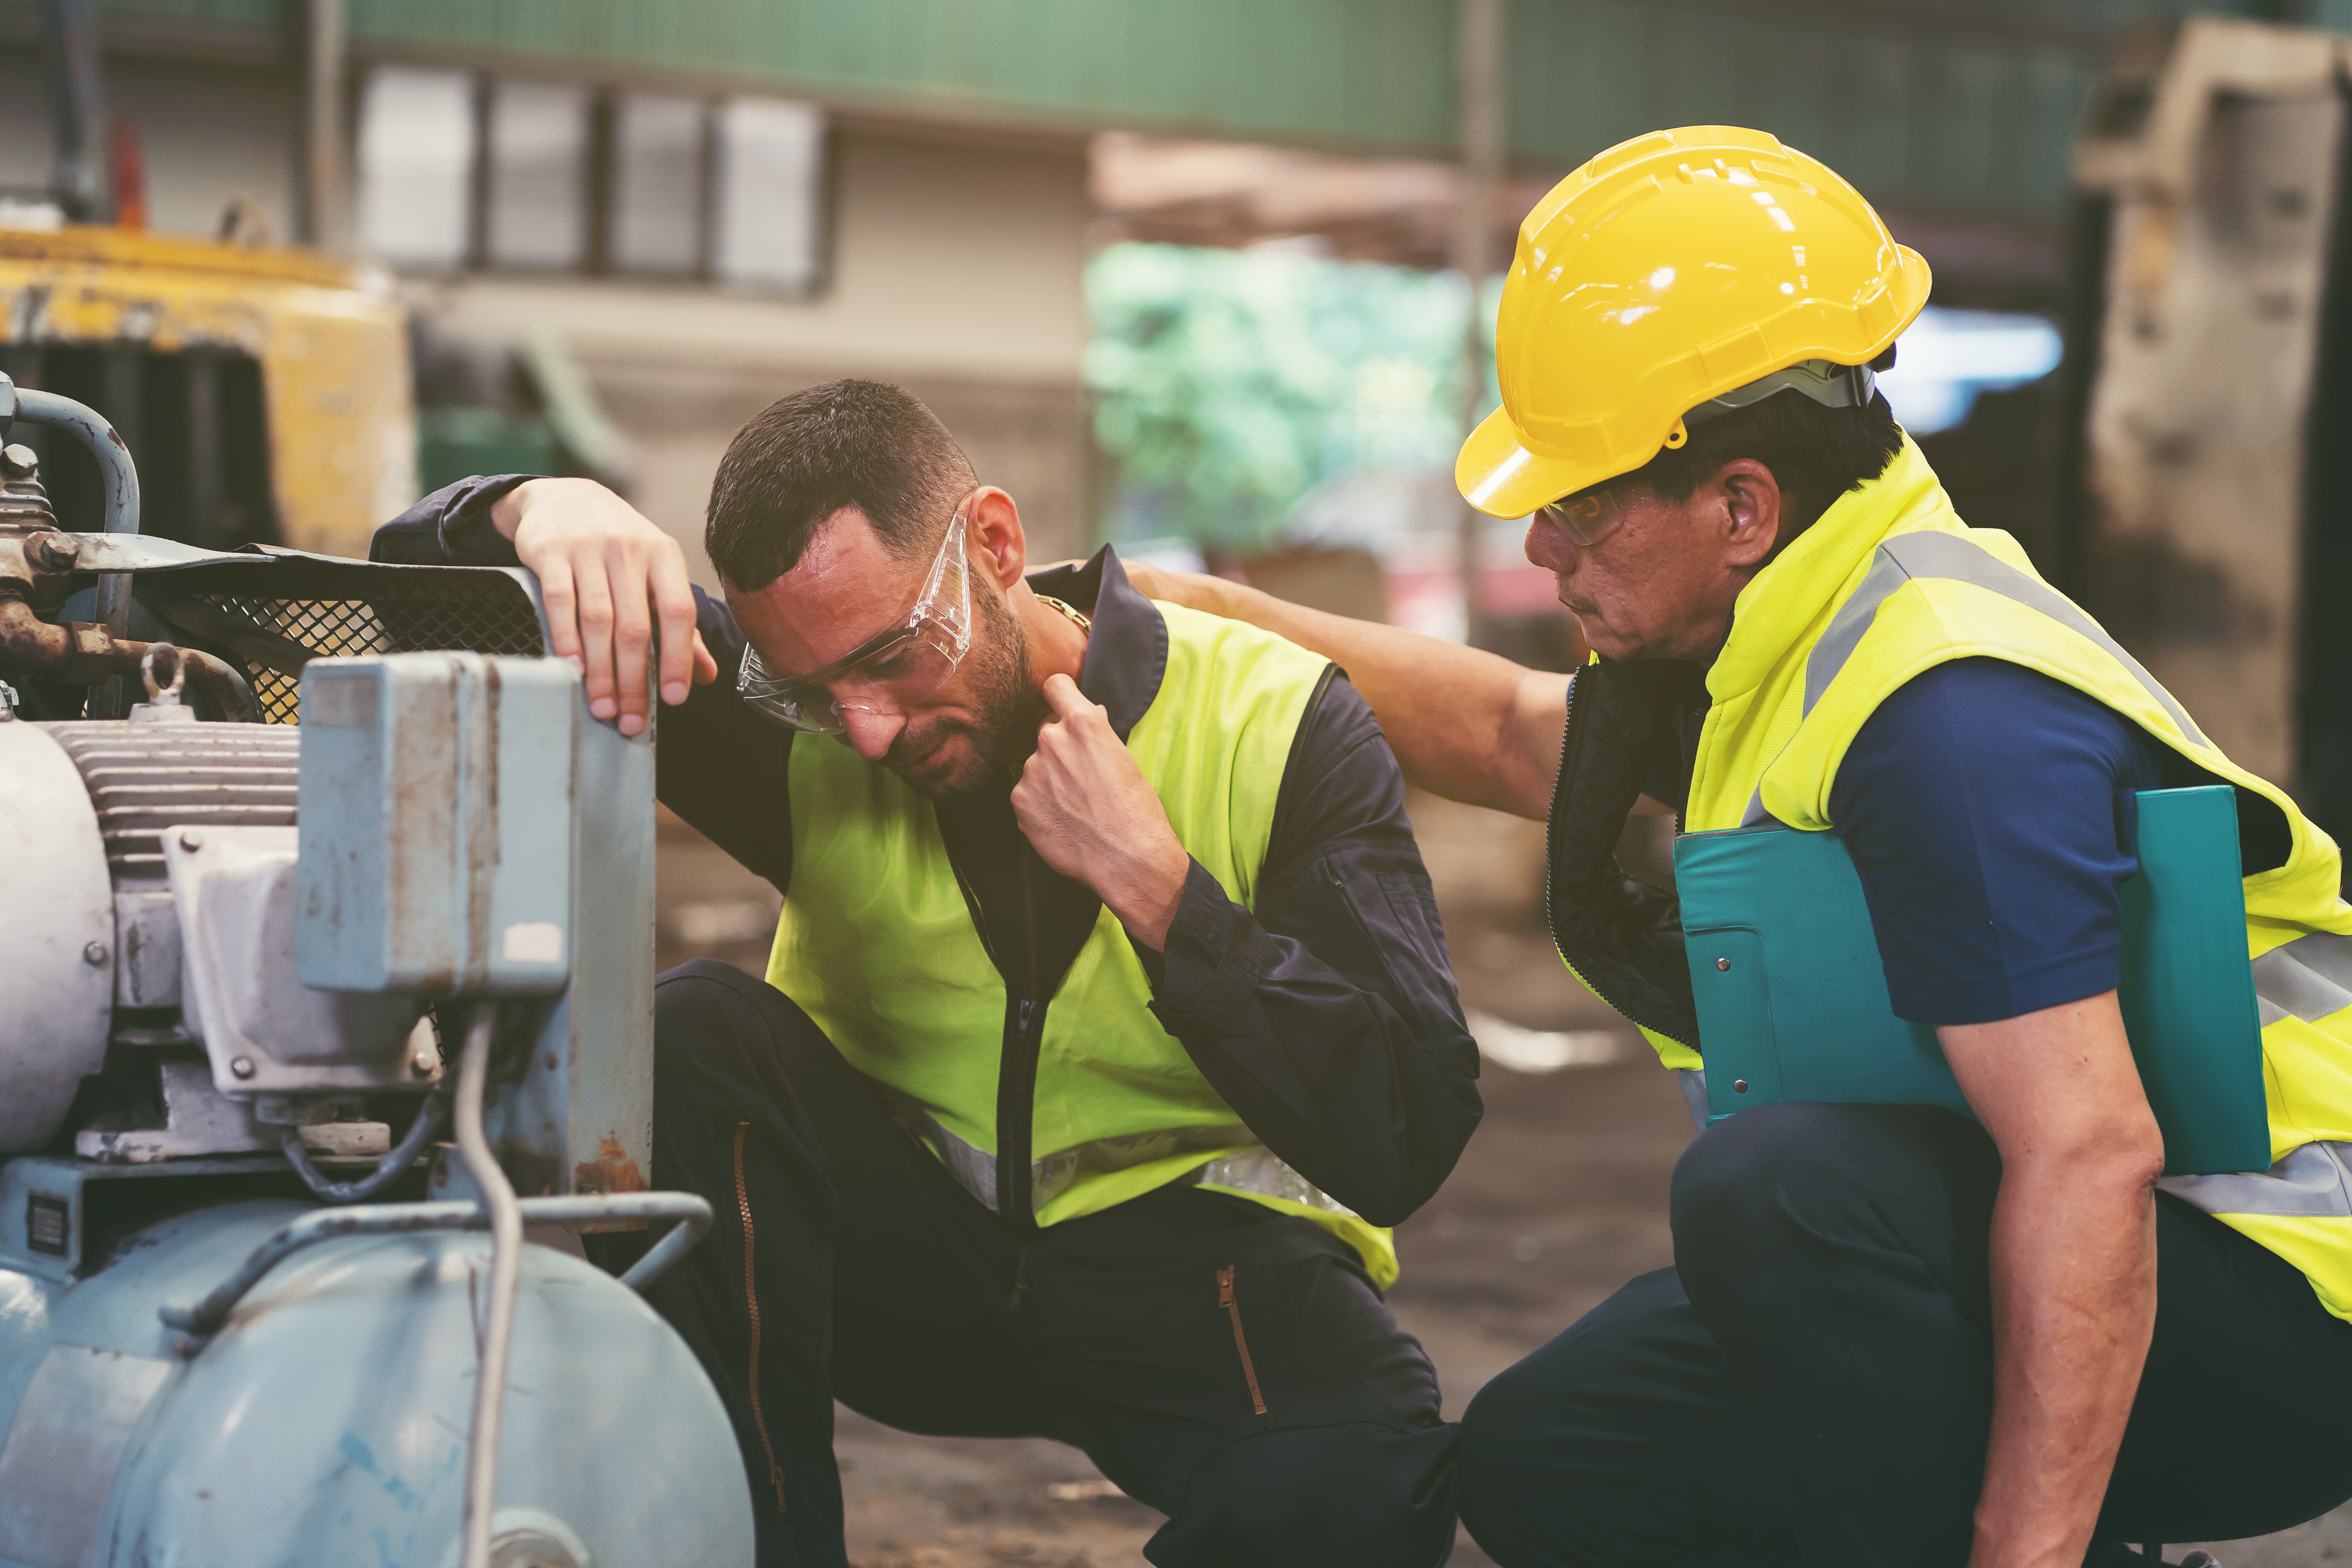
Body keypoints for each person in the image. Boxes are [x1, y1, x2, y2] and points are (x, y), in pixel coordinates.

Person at [1119, 126, 2352, 1566]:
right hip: (2071, 1236)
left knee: (1776, 1192)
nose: (1540, 552)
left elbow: (2088, 1153)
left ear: (1743, 505)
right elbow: (1524, 740)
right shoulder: (1792, 625)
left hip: (2281, 1311)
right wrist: (1187, 616)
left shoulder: (1948, 715)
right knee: (1550, 1460)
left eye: (1575, 506)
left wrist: (2028, 1551)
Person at [372, 379, 1479, 1568]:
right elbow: (408, 604)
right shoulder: (798, 707)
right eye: (813, 690)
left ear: (995, 546)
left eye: (892, 658)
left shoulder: (1275, 721)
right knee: (701, 1032)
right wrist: (531, 509)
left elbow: (1404, 1134)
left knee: (1362, 1490)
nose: (863, 731)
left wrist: (1163, 895)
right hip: (904, 1277)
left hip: (1199, 1280)